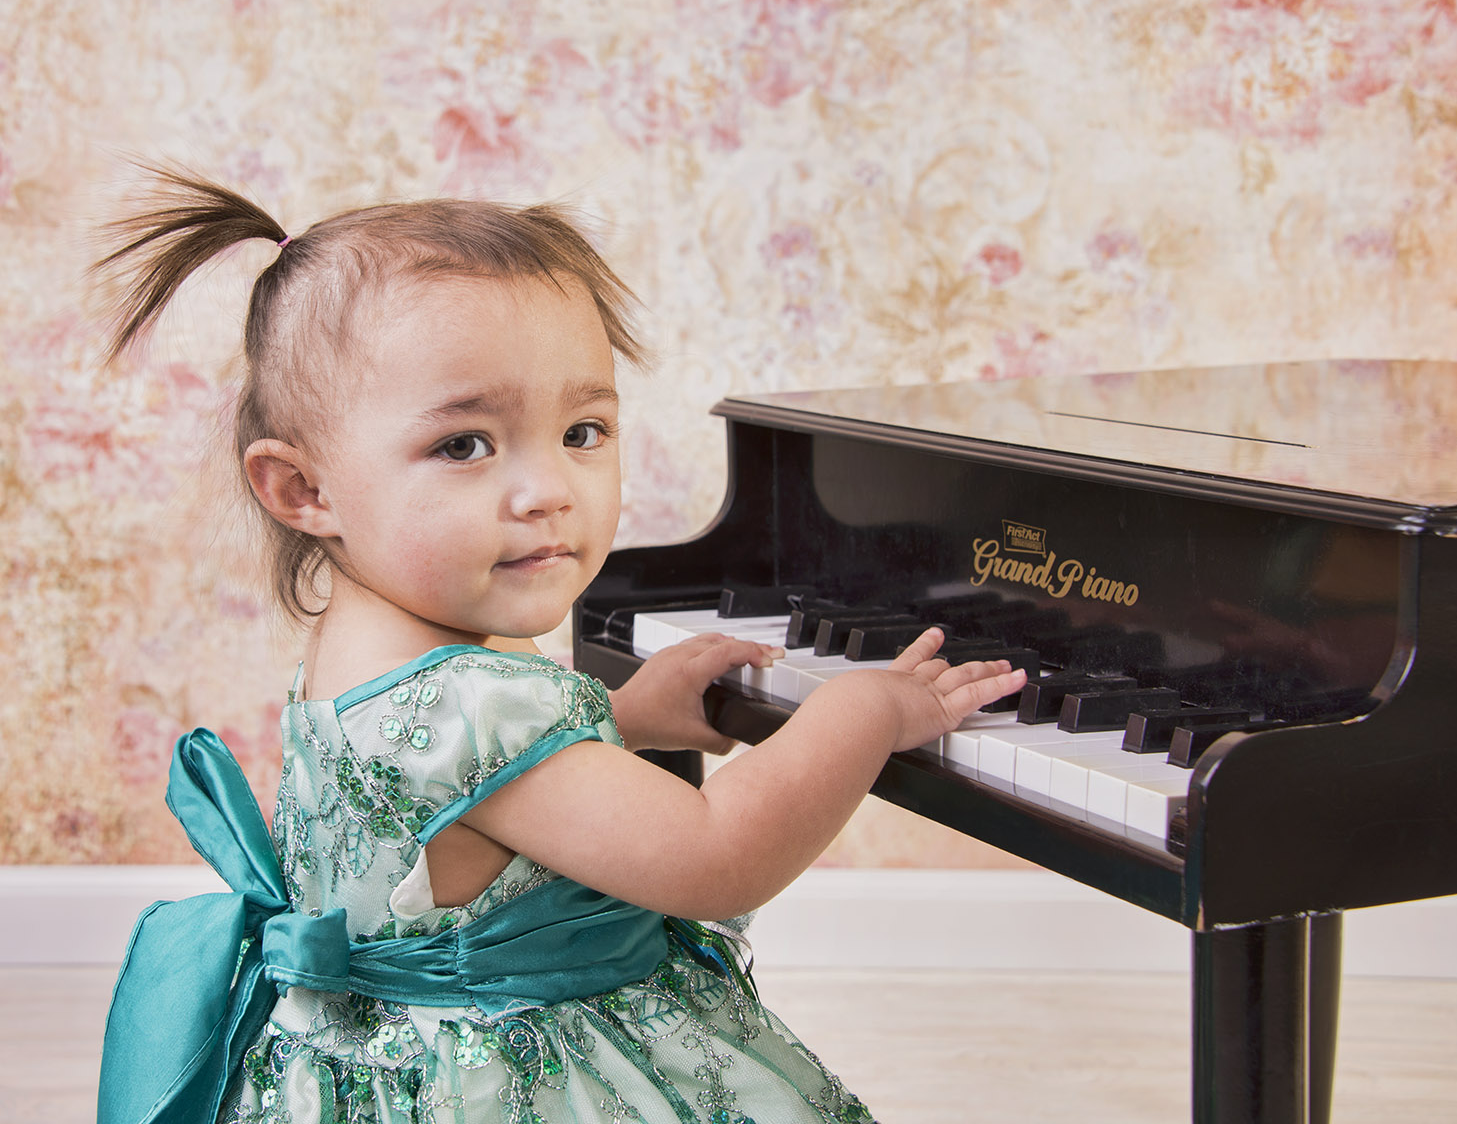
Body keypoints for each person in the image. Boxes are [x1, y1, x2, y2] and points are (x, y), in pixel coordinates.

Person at [93, 167, 1028, 1124]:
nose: (548, 489)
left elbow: (458, 817)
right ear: (304, 491)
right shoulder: (471, 703)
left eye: (583, 430)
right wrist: (857, 713)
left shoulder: (366, 652)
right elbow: (718, 854)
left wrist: (615, 720)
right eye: (465, 445)